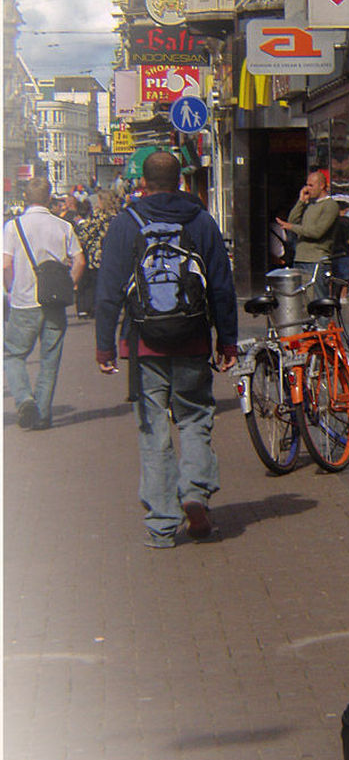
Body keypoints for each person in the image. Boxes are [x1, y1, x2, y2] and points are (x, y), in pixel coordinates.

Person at [94, 150, 238, 549]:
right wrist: (227, 339)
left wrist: (104, 345)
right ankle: (195, 492)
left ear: (142, 181)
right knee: (194, 418)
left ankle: (160, 525)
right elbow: (222, 286)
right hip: (192, 337)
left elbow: (107, 291)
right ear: (181, 181)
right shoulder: (201, 220)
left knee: (152, 428)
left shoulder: (126, 223)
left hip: (143, 343)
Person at [3, 177, 85, 430]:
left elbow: (5, 265)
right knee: (50, 360)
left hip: (23, 302)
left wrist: (11, 289)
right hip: (54, 302)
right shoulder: (63, 225)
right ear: (50, 198)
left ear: (26, 198)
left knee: (14, 355)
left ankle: (25, 399)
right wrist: (70, 285)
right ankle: (42, 414)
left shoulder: (13, 226)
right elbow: (80, 261)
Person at [276, 170, 339, 301]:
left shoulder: (330, 205)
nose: (307, 189)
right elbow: (292, 220)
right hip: (300, 258)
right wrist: (300, 201)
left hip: (316, 260)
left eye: (311, 185)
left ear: (322, 186)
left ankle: (324, 322)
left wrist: (292, 227)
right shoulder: (309, 204)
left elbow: (317, 232)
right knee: (302, 302)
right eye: (307, 185)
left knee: (318, 300)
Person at [75, 190, 118, 318]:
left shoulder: (99, 216)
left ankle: (92, 308)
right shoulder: (117, 216)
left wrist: (80, 224)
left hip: (96, 256)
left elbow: (85, 234)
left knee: (92, 284)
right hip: (111, 255)